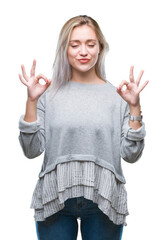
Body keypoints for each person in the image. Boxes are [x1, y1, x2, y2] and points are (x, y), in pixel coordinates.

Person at [18, 15, 149, 240]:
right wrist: (31, 101)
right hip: (55, 199)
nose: (84, 51)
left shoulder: (118, 97)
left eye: (91, 44)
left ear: (100, 48)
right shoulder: (46, 95)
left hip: (104, 199)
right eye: (75, 44)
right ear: (65, 49)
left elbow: (131, 155)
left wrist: (135, 107)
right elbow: (31, 151)